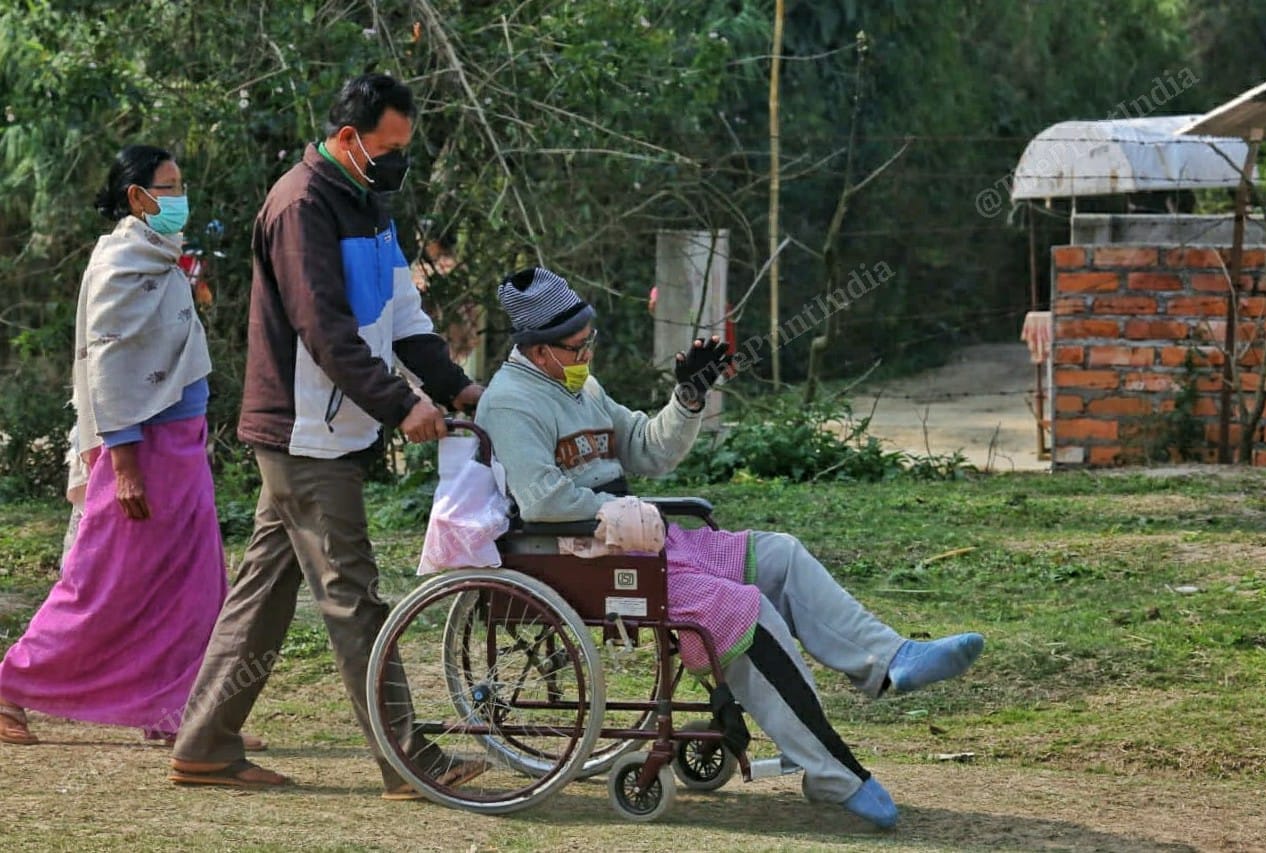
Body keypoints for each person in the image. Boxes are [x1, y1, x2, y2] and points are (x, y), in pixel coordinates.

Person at [475, 267, 986, 829]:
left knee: (781, 555)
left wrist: (688, 398)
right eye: (577, 347)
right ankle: (834, 774)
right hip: (581, 553)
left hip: (637, 539)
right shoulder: (510, 402)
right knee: (743, 611)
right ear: (540, 350)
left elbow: (647, 450)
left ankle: (890, 661)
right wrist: (622, 513)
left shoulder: (582, 388)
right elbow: (543, 498)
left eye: (588, 342)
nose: (586, 354)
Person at [167, 73, 484, 796]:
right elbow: (325, 332)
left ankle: (206, 742)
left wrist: (461, 388)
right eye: (388, 147)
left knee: (265, 593)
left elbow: (405, 316)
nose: (398, 161)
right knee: (354, 594)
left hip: (328, 431)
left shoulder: (367, 201)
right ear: (347, 140)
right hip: (305, 434)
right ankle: (410, 760)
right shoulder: (300, 205)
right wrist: (402, 406)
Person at [0, 144, 247, 748]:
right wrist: (127, 464)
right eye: (169, 186)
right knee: (104, 583)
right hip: (142, 449)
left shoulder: (159, 257)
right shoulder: (122, 261)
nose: (179, 197)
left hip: (182, 444)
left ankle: (176, 710)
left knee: (192, 584)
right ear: (139, 198)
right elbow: (109, 362)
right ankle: (9, 687)